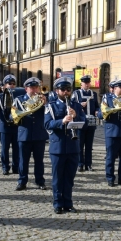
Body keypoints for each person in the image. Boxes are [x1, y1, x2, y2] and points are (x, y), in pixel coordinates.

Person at [44, 77, 86, 214]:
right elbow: (47, 124)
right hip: (58, 147)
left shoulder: (76, 105)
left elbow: (84, 123)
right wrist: (61, 121)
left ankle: (68, 202)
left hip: (73, 147)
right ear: (57, 91)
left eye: (69, 90)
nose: (66, 92)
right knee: (57, 178)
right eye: (63, 90)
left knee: (69, 178)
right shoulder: (51, 106)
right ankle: (57, 203)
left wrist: (76, 117)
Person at [15, 77, 48, 191]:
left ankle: (40, 181)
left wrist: (45, 103)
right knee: (23, 160)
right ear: (26, 89)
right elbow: (12, 116)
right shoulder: (19, 100)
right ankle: (22, 181)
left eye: (36, 87)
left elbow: (50, 114)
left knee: (39, 160)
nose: (34, 90)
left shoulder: (44, 99)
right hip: (24, 133)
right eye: (32, 87)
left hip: (39, 134)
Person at [72, 75, 100, 172]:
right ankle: (80, 164)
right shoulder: (76, 94)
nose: (87, 84)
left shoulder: (94, 94)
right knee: (80, 145)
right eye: (85, 83)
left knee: (89, 145)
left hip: (91, 122)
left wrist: (97, 111)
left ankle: (88, 164)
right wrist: (79, 105)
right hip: (80, 122)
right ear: (81, 84)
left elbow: (97, 106)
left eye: (88, 83)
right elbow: (71, 107)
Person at [0, 74, 21, 175]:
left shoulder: (19, 96)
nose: (11, 85)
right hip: (5, 126)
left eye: (13, 84)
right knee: (5, 149)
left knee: (16, 149)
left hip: (16, 127)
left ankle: (15, 167)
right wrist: (7, 121)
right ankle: (5, 167)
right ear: (4, 85)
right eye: (9, 83)